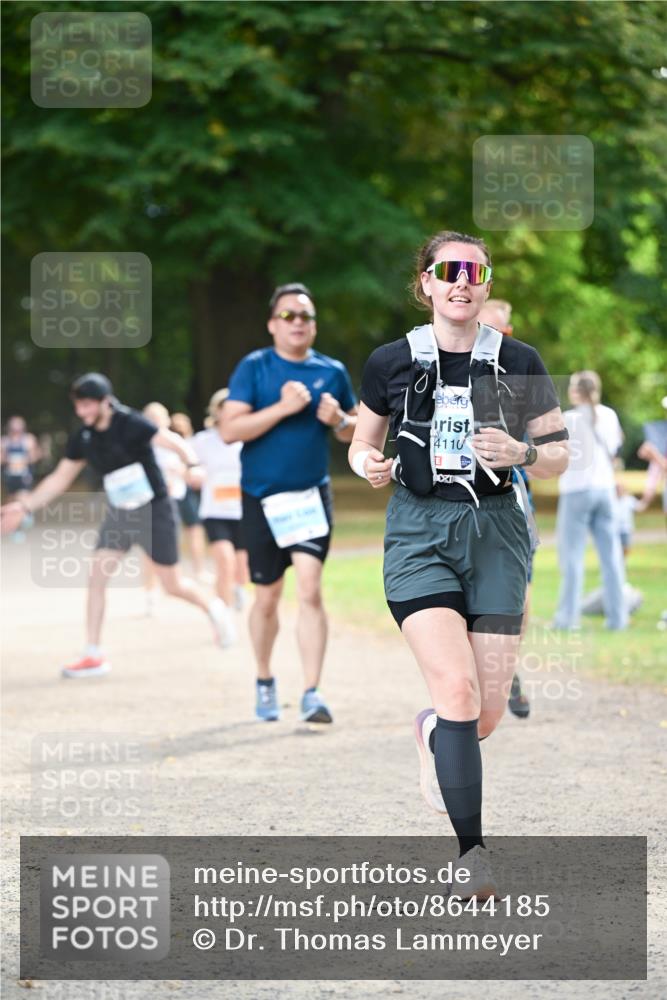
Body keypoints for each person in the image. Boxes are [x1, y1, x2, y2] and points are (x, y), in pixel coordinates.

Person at [349, 231, 568, 897]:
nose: (460, 281)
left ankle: (429, 733)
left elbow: (559, 452)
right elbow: (362, 442)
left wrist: (525, 456)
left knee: (484, 716)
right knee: (458, 693)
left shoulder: (519, 360)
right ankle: (471, 853)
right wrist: (371, 465)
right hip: (418, 531)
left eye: (472, 270)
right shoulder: (390, 361)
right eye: (447, 270)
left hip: (497, 535)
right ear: (426, 283)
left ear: (485, 282)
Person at [0, 373, 235, 678]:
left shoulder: (131, 423)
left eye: (87, 405)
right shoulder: (83, 437)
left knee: (172, 585)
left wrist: (192, 465)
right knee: (96, 575)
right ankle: (93, 653)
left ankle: (215, 609)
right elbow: (60, 477)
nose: (81, 412)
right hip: (121, 513)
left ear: (105, 402)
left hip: (155, 509)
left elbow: (172, 441)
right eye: (78, 406)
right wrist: (24, 505)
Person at [221, 283, 358, 723]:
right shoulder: (254, 366)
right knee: (266, 597)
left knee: (310, 589)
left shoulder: (332, 371)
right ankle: (264, 679)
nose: (297, 322)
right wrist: (281, 408)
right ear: (272, 324)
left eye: (305, 316)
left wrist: (340, 419)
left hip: (310, 496)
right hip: (261, 497)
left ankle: (312, 692)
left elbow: (355, 430)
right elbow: (230, 430)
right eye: (288, 316)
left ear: (314, 325)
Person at [478, 299, 531, 720]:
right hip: (450, 500)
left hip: (512, 492)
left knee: (520, 581)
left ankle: (506, 665)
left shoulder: (522, 371)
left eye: (503, 334)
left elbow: (553, 446)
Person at [553, 371, 627, 631]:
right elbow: (616, 450)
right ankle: (618, 619)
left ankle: (567, 619)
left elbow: (557, 456)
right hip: (605, 490)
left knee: (572, 558)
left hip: (577, 491)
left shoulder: (568, 418)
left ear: (576, 392)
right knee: (612, 558)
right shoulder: (609, 415)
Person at [192, 389, 248, 614]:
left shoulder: (247, 437)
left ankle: (239, 590)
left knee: (242, 566)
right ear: (217, 411)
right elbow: (188, 465)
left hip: (243, 510)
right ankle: (222, 613)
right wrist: (193, 472)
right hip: (214, 511)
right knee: (224, 562)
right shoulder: (203, 440)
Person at [170, 411, 209, 582]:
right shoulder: (187, 446)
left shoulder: (173, 445)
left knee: (189, 532)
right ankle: (196, 570)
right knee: (191, 532)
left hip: (184, 494)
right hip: (181, 494)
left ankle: (195, 570)